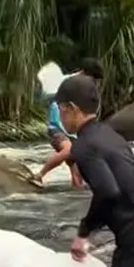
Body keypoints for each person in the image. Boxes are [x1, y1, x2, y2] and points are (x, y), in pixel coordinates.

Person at [55, 72, 134, 267]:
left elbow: (108, 191)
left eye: (60, 109)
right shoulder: (110, 135)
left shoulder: (84, 145)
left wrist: (83, 233)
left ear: (72, 108)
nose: (60, 116)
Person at [37, 58, 105, 188]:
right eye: (94, 79)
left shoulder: (82, 85)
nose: (95, 82)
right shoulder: (70, 82)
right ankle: (40, 175)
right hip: (57, 127)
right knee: (68, 150)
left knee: (77, 176)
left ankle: (76, 195)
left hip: (73, 132)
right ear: (86, 73)